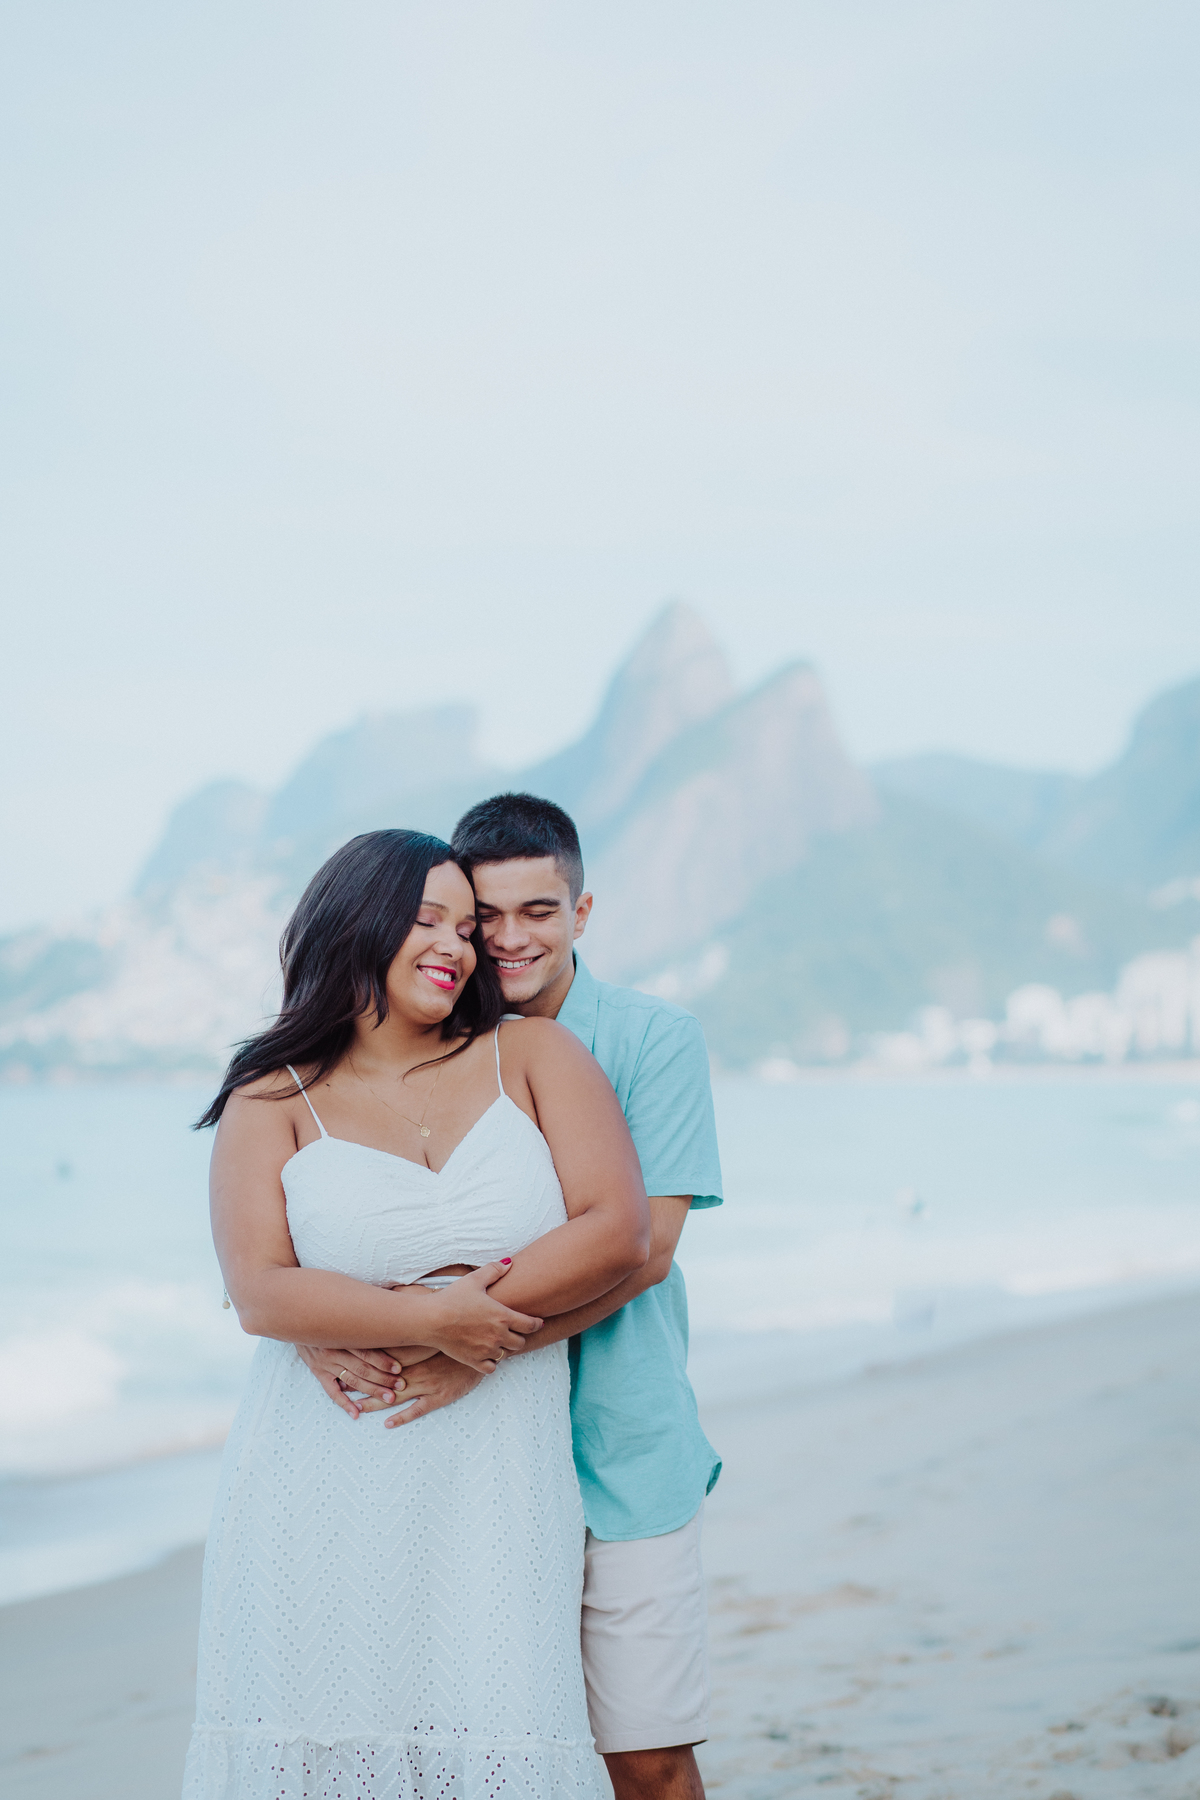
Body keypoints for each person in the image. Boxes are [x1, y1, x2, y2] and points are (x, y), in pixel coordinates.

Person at [184, 827, 649, 1800]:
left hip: (497, 1470)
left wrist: (460, 1321)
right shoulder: (271, 1092)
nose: (457, 944)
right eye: (426, 918)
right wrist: (435, 1323)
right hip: (322, 1469)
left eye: (465, 926)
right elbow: (262, 1289)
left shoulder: (531, 1054)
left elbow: (615, 1229)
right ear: (355, 925)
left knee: (504, 1723)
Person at [300, 796, 723, 1800]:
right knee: (478, 1752)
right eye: (485, 917)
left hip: (620, 1441)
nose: (510, 938)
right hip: (460, 1460)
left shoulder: (651, 1039)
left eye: (541, 910)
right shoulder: (415, 1046)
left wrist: (459, 1340)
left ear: (583, 913)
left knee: (649, 1754)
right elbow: (329, 1231)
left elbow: (644, 1250)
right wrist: (327, 1327)